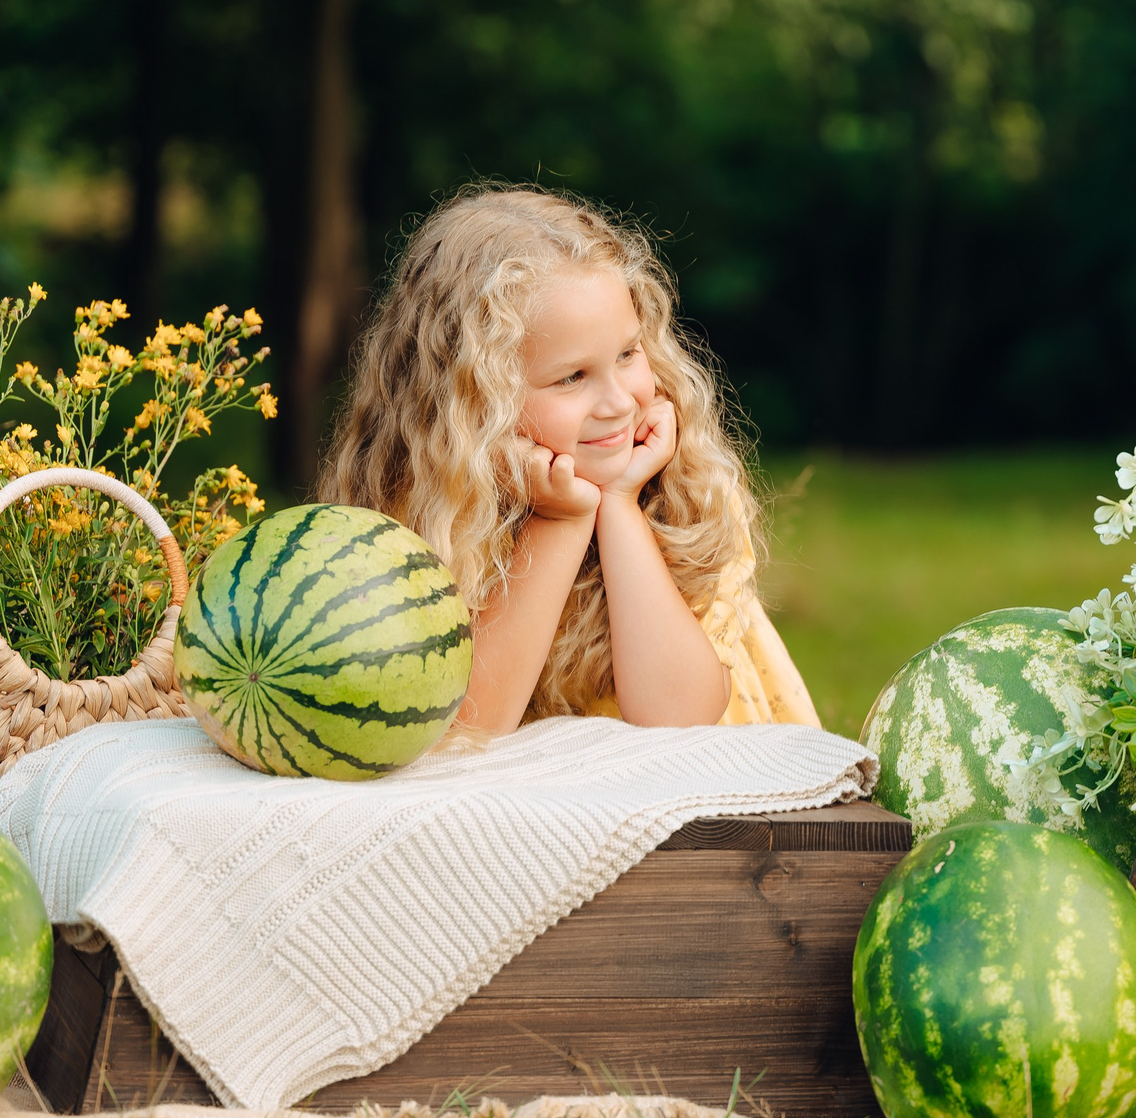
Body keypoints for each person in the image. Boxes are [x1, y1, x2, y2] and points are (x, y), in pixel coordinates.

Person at [321, 184, 818, 736]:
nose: (620, 402)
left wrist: (619, 504)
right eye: (572, 377)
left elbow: (678, 718)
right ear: (474, 402)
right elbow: (463, 731)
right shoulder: (418, 527)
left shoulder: (690, 498)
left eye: (627, 353)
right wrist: (561, 520)